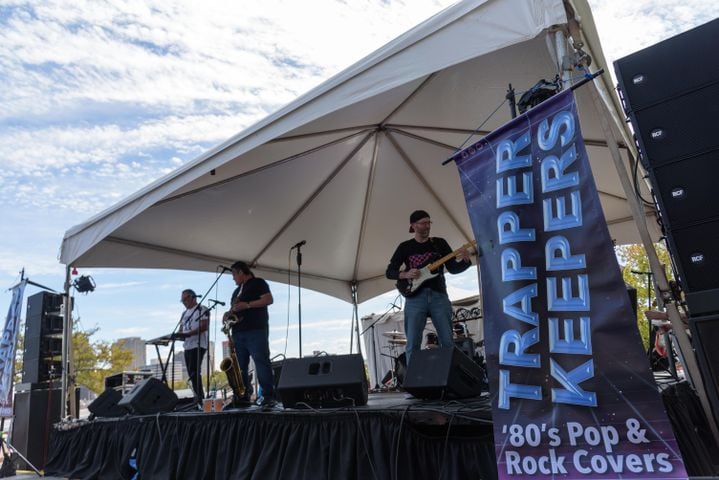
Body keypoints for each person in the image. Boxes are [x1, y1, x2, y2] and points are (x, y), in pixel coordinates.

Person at [386, 210, 473, 366]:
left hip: (438, 295)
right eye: (423, 223)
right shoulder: (405, 247)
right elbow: (389, 272)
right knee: (413, 342)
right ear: (413, 225)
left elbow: (452, 268)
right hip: (414, 298)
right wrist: (405, 274)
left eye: (429, 222)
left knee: (447, 340)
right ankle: (415, 380)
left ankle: (448, 378)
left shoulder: (439, 243)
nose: (427, 226)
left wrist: (465, 261)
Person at [227, 260, 275, 407]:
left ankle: (267, 396)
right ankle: (243, 396)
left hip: (256, 330)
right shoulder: (236, 291)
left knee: (261, 362)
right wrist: (227, 314)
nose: (233, 278)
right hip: (238, 332)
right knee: (240, 367)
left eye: (234, 275)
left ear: (241, 272)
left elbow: (269, 299)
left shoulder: (258, 283)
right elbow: (234, 310)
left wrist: (247, 305)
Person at [179, 289, 209, 403]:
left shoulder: (201, 309)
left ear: (193, 297)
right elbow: (181, 329)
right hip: (187, 346)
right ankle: (197, 396)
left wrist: (189, 333)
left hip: (198, 344)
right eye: (182, 300)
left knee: (194, 371)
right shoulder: (184, 313)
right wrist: (178, 335)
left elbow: (204, 326)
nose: (183, 302)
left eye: (185, 299)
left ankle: (200, 398)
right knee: (191, 372)